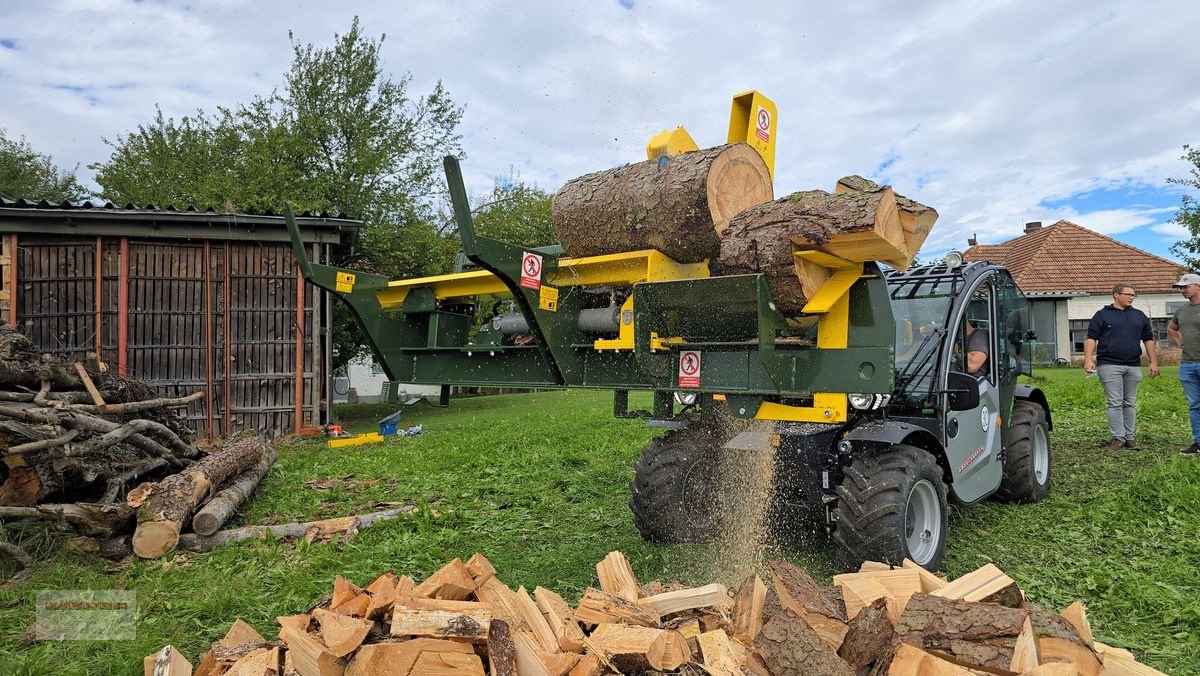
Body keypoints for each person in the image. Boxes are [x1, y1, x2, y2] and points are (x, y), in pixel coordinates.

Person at [1083, 284, 1158, 451]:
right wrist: (1088, 359)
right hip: (1109, 364)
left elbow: (1148, 340)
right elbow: (1091, 338)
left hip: (1133, 365)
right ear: (1116, 295)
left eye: (1133, 294)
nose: (1131, 297)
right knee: (1115, 402)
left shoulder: (1139, 316)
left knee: (1129, 403)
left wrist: (1153, 362)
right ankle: (1118, 438)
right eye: (1128, 294)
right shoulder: (1102, 315)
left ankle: (1130, 438)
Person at [1168, 273, 1200, 457]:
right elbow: (1172, 329)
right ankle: (1198, 442)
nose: (1182, 290)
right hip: (1188, 364)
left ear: (1198, 287)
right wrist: (1181, 344)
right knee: (1195, 405)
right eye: (1180, 287)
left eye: (1186, 286)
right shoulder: (1182, 311)